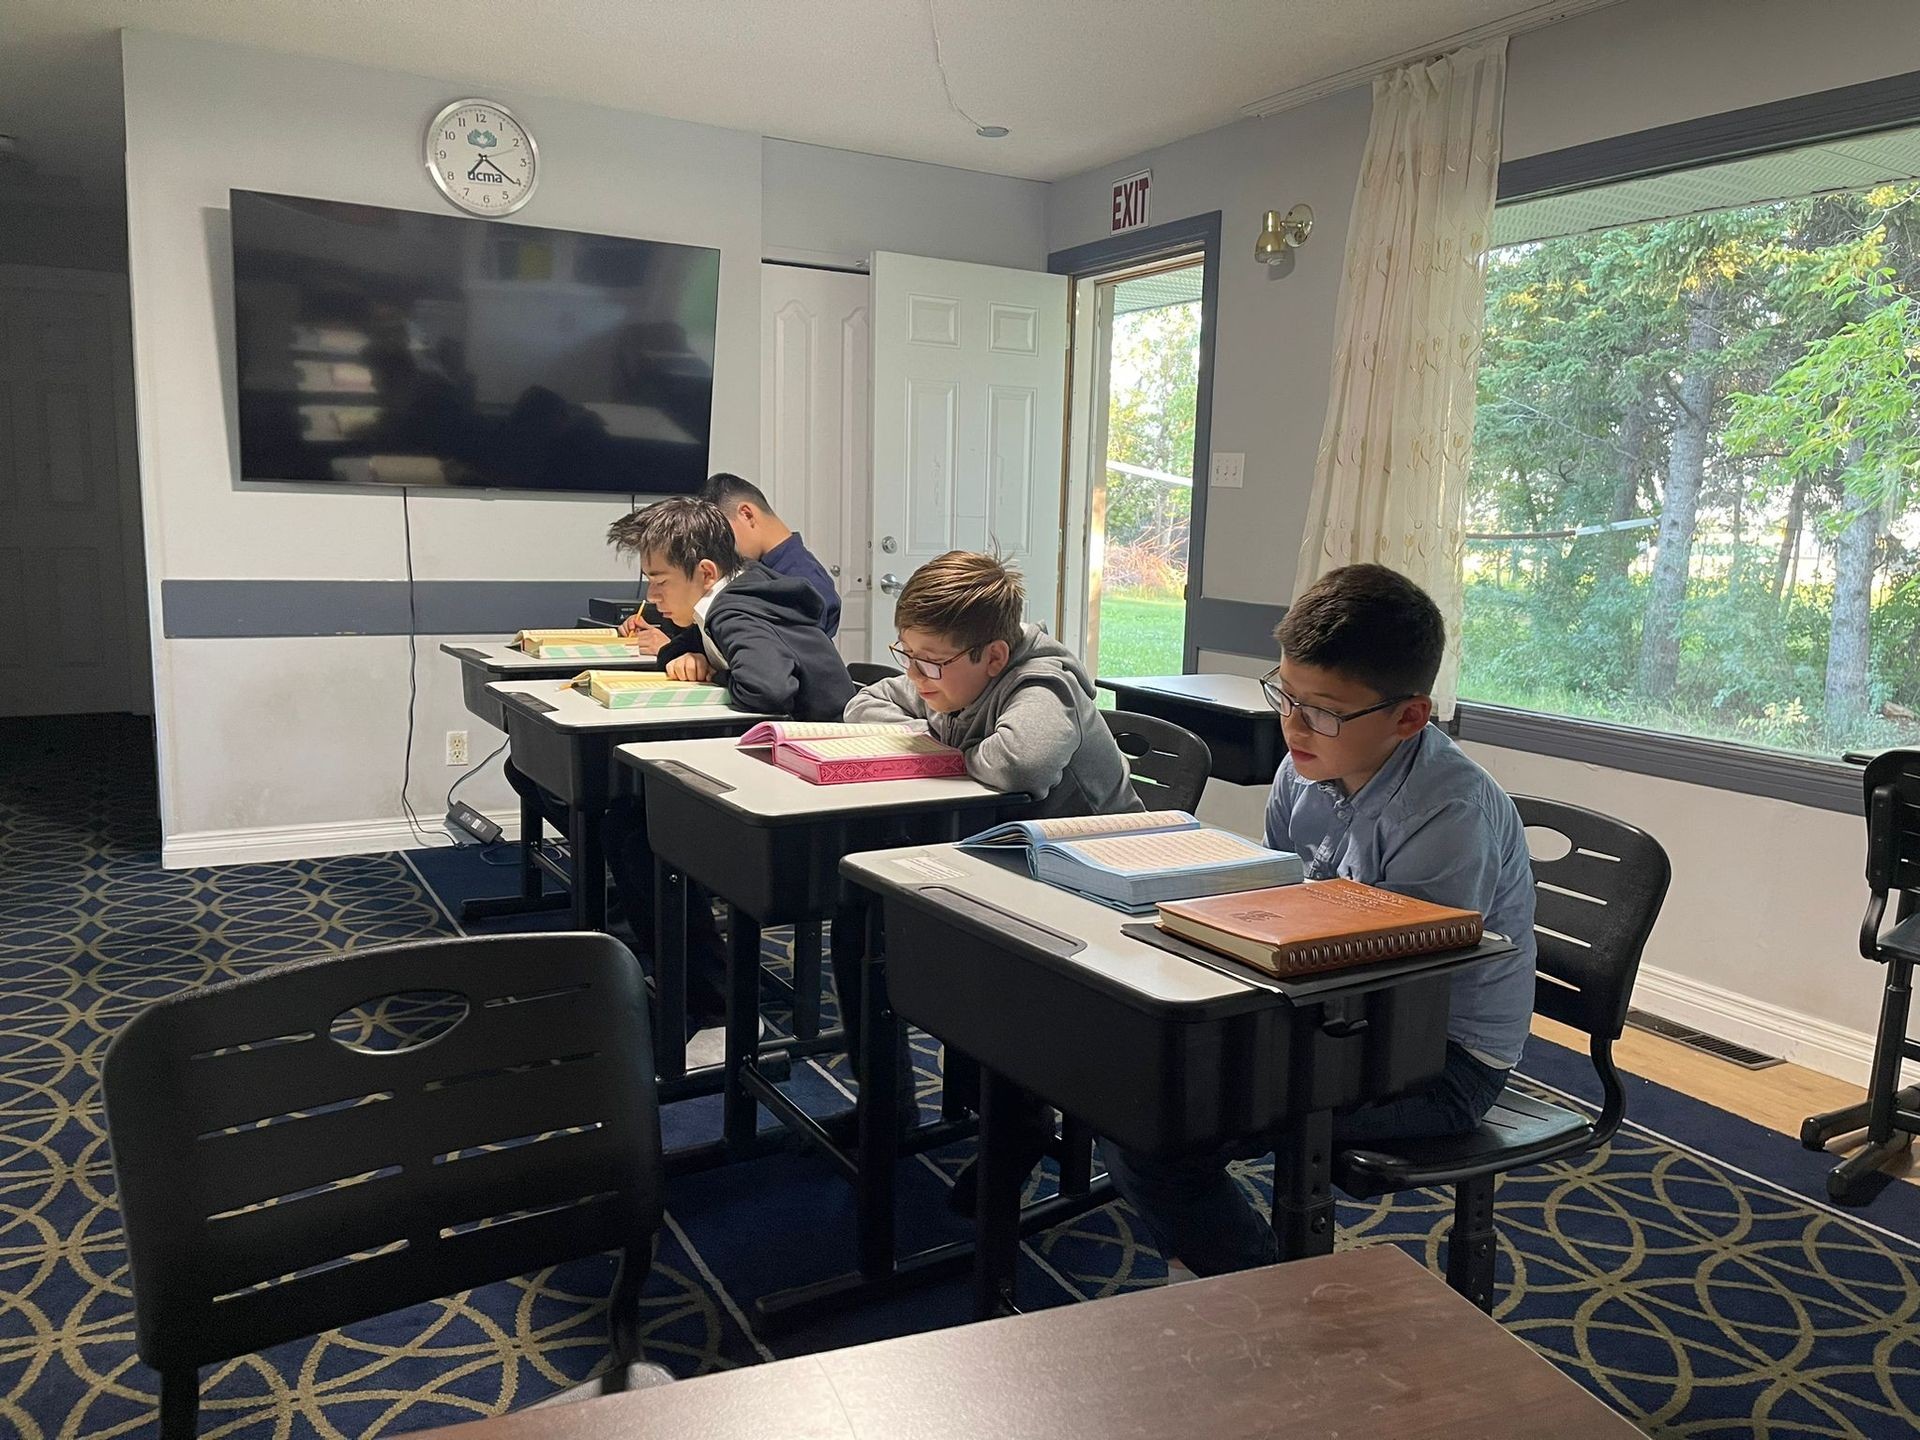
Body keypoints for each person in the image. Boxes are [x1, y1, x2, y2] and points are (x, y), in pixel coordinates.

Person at [1100, 563, 1539, 1278]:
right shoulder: (1302, 770)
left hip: (1439, 1058)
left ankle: (1257, 1290)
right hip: (1339, 1010)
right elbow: (1287, 908)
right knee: (1128, 1080)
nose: (1294, 726)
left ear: (1409, 717)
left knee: (1164, 1122)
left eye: (1324, 711)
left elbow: (1403, 991)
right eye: (1285, 696)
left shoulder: (1446, 815)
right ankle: (1233, 1273)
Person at [844, 550, 1143, 1204]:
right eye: (908, 655)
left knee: (987, 963)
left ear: (995, 656)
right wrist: (945, 728)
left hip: (1100, 883)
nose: (916, 676)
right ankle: (893, 1105)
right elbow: (863, 705)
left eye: (933, 663)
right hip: (1010, 862)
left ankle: (1022, 1126)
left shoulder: (1046, 684)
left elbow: (1020, 764)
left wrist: (937, 738)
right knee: (866, 923)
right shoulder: (947, 674)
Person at [600, 497, 854, 1064]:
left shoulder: (733, 610)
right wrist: (693, 653)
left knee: (643, 836)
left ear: (706, 573)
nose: (654, 596)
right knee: (629, 824)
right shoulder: (735, 600)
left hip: (816, 793)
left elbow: (768, 690)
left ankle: (718, 1007)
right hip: (793, 771)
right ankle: (693, 986)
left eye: (660, 581)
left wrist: (714, 667)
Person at [622, 472, 840, 657]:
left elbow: (773, 659)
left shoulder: (805, 581)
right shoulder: (751, 568)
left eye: (723, 532)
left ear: (746, 514)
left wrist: (671, 649)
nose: (718, 543)